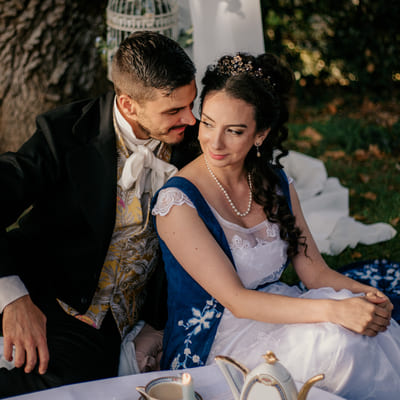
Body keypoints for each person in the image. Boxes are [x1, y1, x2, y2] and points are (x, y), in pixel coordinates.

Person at [151, 52, 400, 399]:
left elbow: (315, 274)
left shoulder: (275, 182)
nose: (214, 142)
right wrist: (335, 309)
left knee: (366, 333)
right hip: (214, 339)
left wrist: (366, 296)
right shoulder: (177, 202)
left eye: (234, 131)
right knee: (339, 345)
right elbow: (237, 301)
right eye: (207, 123)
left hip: (277, 309)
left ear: (260, 134)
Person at [0, 31, 199, 397]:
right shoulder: (64, 134)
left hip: (105, 322)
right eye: (174, 110)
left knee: (75, 384)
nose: (190, 119)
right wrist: (13, 299)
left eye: (192, 104)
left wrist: (157, 325)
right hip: (48, 288)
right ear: (127, 105)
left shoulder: (195, 143)